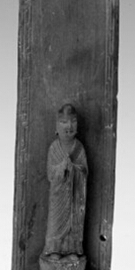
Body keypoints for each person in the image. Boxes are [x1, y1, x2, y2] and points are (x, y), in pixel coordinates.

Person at [43, 104, 88, 260]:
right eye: (64, 122)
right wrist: (62, 167)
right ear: (57, 126)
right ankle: (54, 249)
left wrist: (74, 168)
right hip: (59, 196)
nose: (69, 126)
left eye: (73, 121)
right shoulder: (54, 148)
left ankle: (72, 250)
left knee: (74, 223)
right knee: (56, 223)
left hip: (75, 196)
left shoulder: (79, 148)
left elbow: (84, 171)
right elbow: (50, 173)